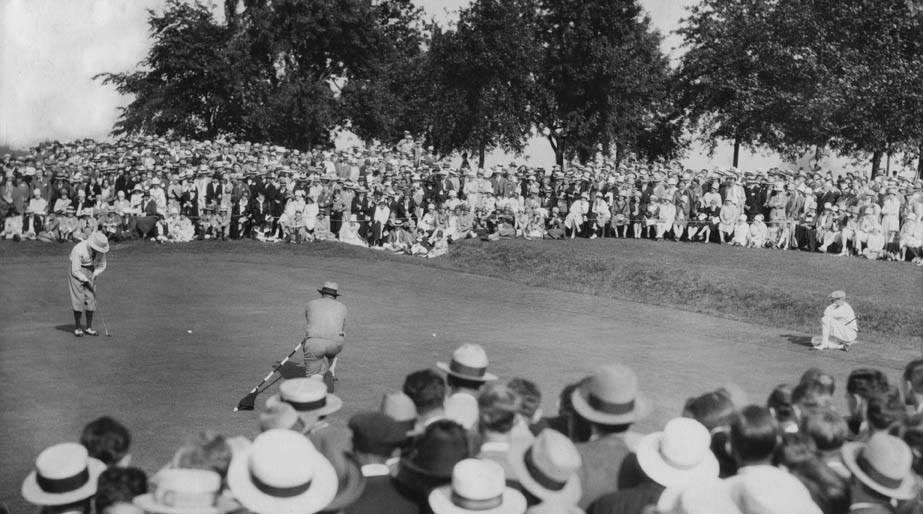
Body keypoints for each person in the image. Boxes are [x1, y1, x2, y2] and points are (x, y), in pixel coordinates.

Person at [303, 281, 347, 392]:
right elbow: (342, 328)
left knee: (312, 377)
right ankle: (330, 372)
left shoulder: (311, 303)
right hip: (335, 344)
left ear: (322, 293)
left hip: (314, 343)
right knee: (336, 341)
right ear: (335, 296)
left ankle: (320, 377)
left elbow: (309, 322)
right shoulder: (343, 307)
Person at [69, 231, 109, 337]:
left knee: (91, 297)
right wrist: (86, 281)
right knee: (78, 297)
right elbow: (75, 271)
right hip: (77, 269)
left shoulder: (101, 250)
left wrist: (95, 274)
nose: (98, 251)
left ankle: (89, 328)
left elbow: (102, 264)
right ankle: (78, 328)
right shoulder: (78, 249)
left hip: (91, 270)